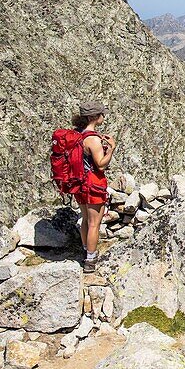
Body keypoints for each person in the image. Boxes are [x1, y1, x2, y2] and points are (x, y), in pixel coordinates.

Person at [72, 101, 116, 272]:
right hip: (93, 184)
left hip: (80, 184)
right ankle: (90, 260)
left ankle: (85, 250)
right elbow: (101, 164)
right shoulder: (93, 140)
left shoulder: (78, 135)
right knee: (94, 224)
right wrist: (111, 148)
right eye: (101, 114)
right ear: (94, 117)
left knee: (85, 219)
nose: (103, 117)